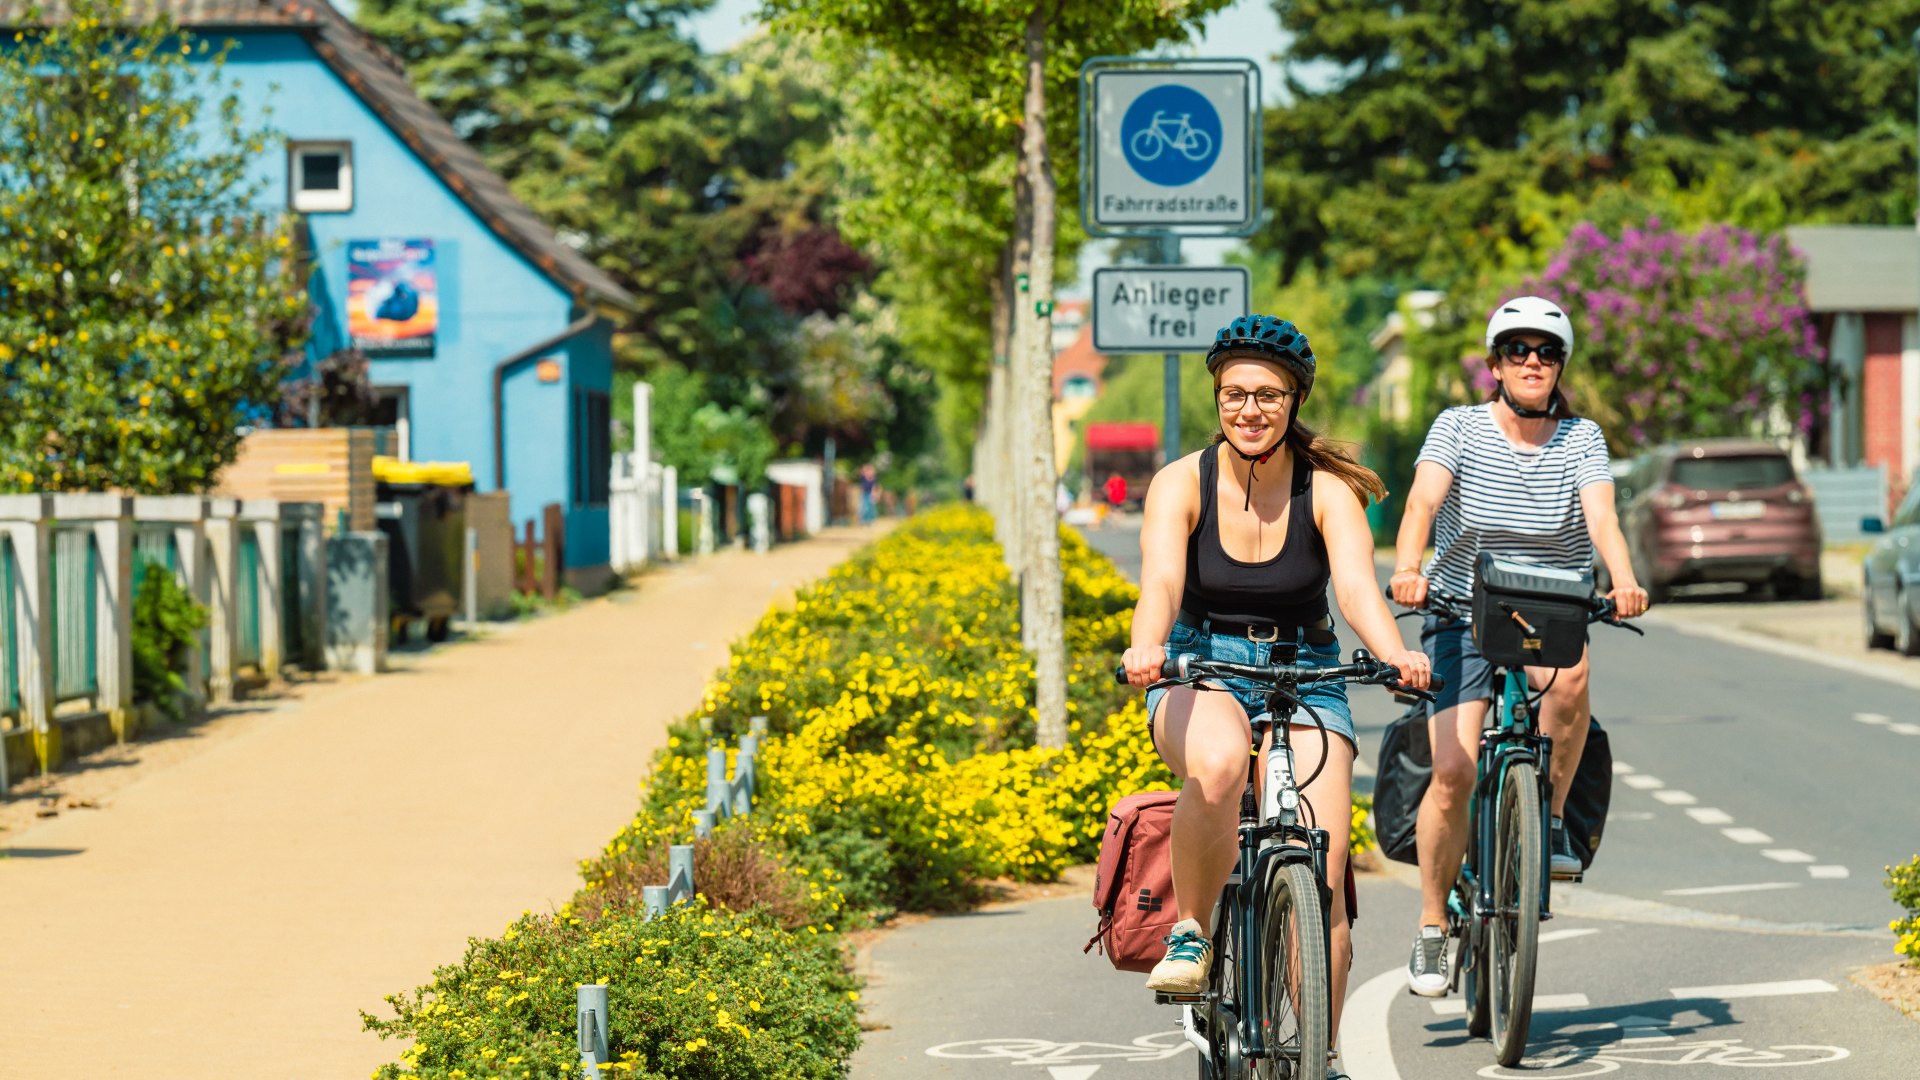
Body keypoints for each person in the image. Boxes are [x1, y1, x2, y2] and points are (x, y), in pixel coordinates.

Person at [1121, 315, 1431, 1074]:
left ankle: (1319, 1057)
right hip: (1200, 666)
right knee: (1222, 764)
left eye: (1267, 395)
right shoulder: (1180, 482)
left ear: (1295, 400)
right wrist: (1148, 644)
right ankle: (1193, 930)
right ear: (1217, 398)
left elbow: (1356, 587)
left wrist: (1394, 654)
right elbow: (1160, 578)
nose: (1249, 410)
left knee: (1323, 885)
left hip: (1306, 669)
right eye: (1234, 394)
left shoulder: (1325, 491)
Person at [1389, 295, 1649, 998]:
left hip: (1549, 603)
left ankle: (1552, 822)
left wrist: (1623, 580)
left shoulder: (1582, 438)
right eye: (1517, 350)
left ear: (1559, 365)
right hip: (1461, 604)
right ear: (1496, 364)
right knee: (1452, 770)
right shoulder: (1459, 428)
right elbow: (1422, 503)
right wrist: (1409, 568)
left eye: (1546, 352)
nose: (1532, 362)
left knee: (1569, 682)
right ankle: (1432, 926)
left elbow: (1602, 516)